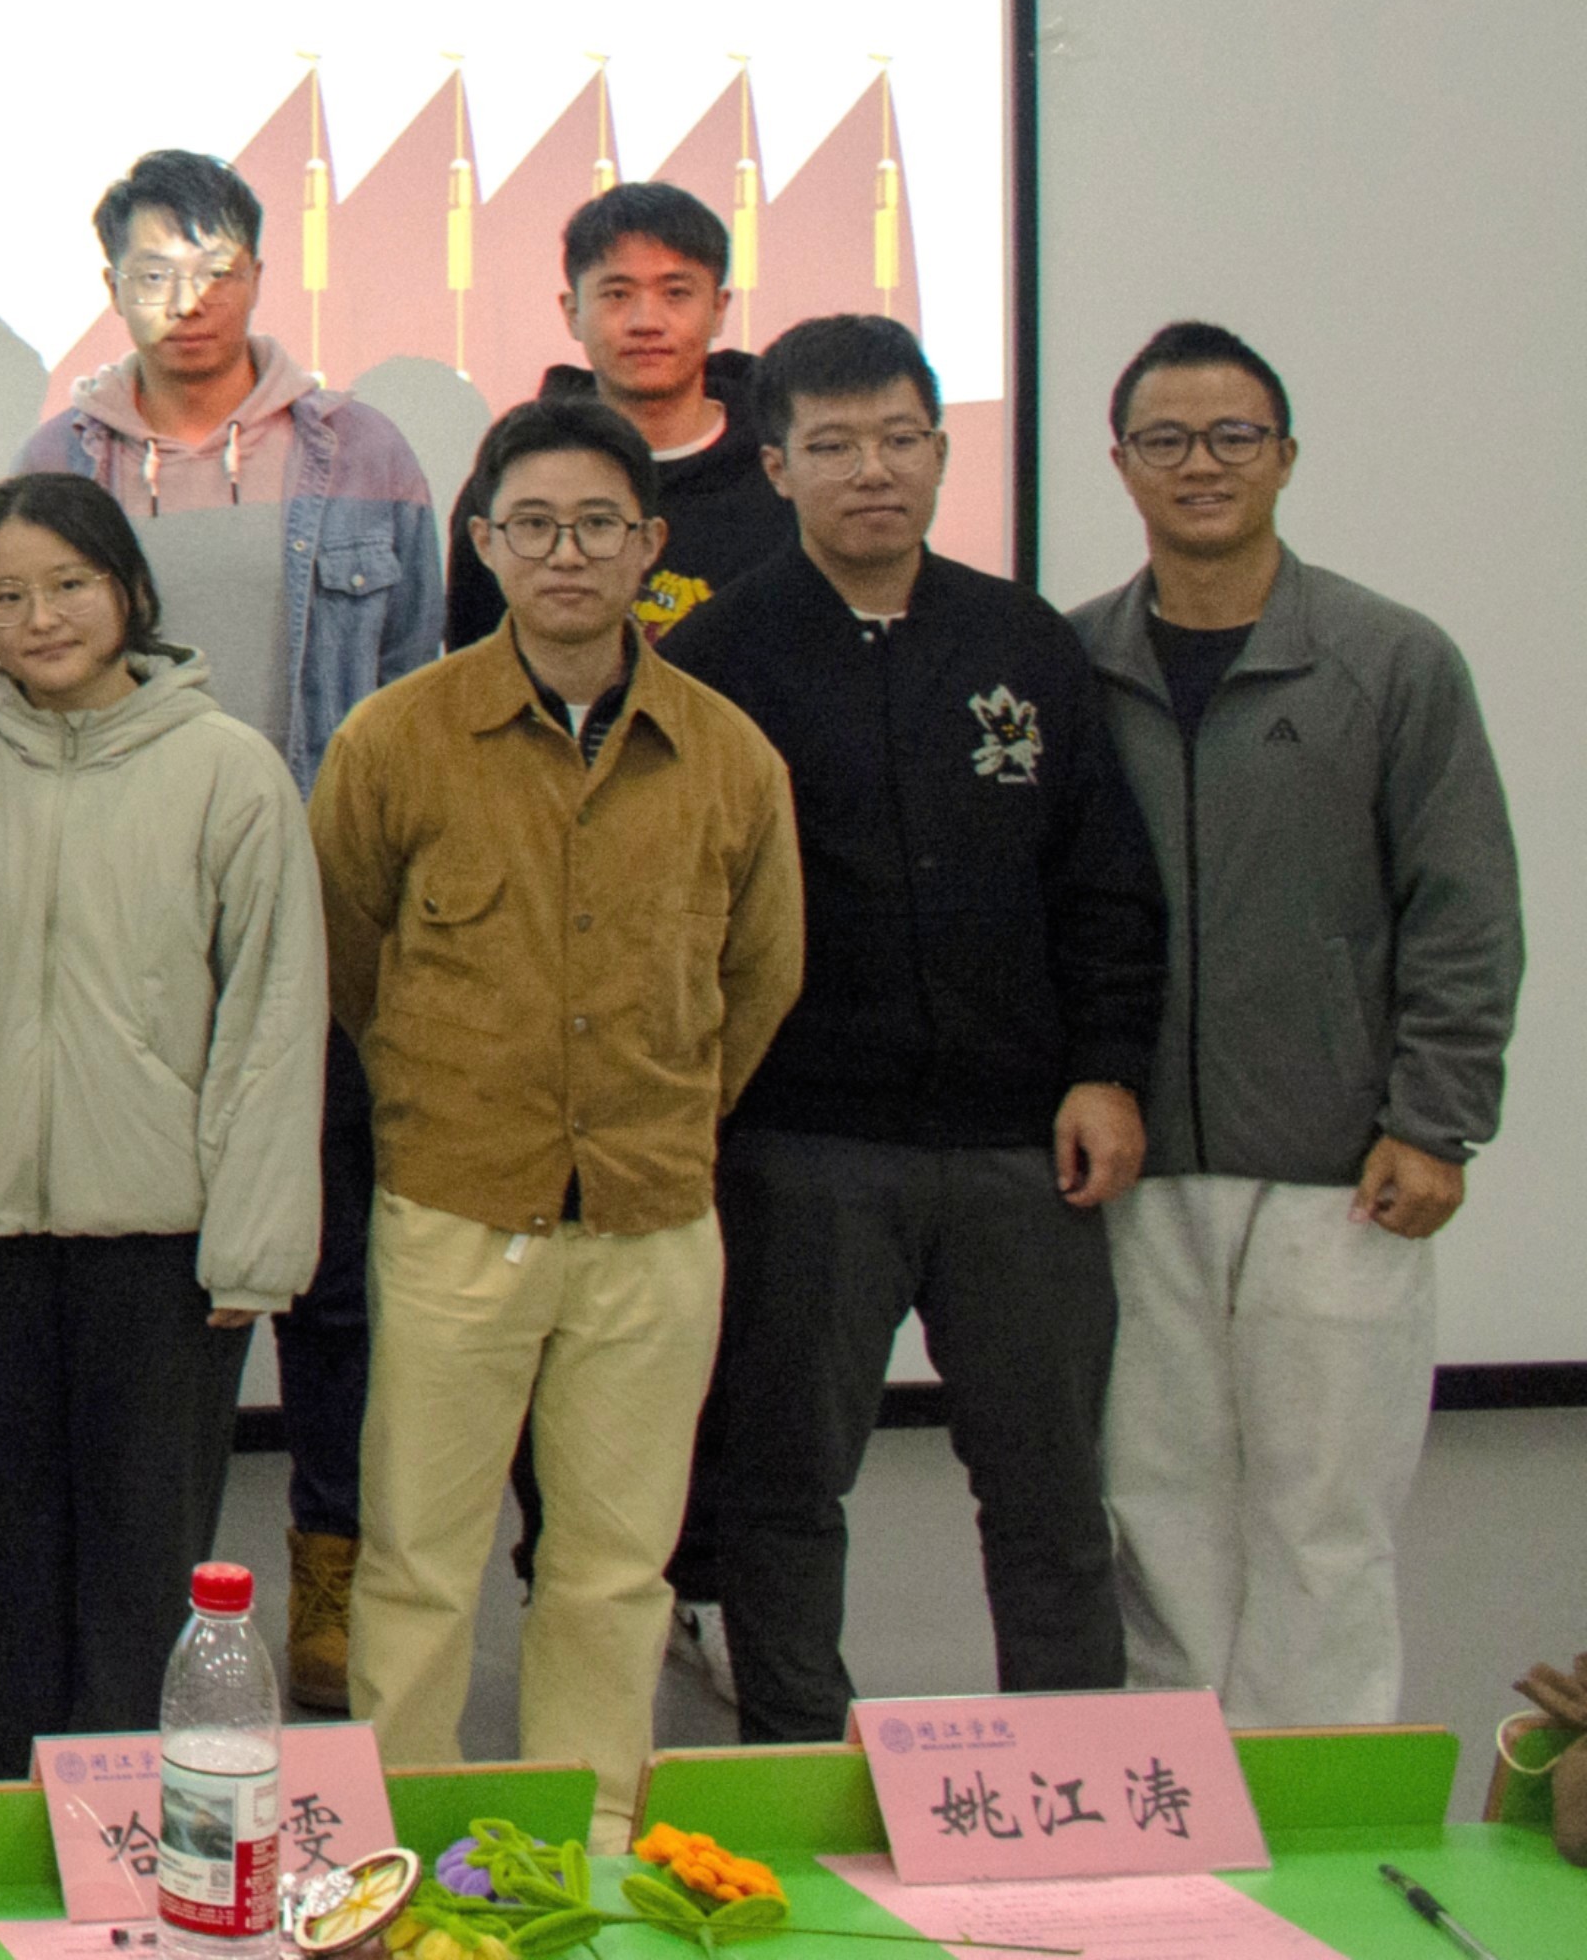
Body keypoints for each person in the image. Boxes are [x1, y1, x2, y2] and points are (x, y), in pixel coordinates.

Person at [671, 312, 1164, 1740]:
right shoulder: (720, 657)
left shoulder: (1024, 641)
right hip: (803, 1145)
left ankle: (1077, 1758)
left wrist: (1107, 1073)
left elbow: (1103, 883)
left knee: (1049, 1483)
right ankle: (794, 1753)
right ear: (777, 467)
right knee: (784, 1478)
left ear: (944, 452)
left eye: (899, 439)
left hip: (1020, 1145)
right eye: (834, 446)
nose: (872, 471)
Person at [312, 394, 803, 1811]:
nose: (567, 554)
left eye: (598, 525)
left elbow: (760, 977)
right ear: (484, 543)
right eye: (534, 526)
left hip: (652, 1216)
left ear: (650, 543)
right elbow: (348, 958)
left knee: (614, 1564)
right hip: (457, 1206)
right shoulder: (397, 741)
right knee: (419, 1558)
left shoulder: (728, 755)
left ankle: (592, 1833)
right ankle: (401, 1834)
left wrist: (661, 1111)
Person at [16, 149, 445, 1707]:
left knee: (332, 1287)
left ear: (261, 274)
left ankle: (331, 1577)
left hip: (317, 923)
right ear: (110, 285)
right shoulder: (61, 455)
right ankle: (136, 1590)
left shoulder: (362, 450)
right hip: (125, 936)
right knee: (147, 1297)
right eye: (152, 272)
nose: (186, 302)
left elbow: (414, 696)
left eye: (216, 269)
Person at [1074, 321, 1527, 1728]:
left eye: (1233, 437)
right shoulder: (1073, 665)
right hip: (1138, 1171)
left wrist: (1435, 1120)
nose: (1200, 465)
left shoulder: (1389, 660)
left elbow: (1463, 905)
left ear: (1285, 458)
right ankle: (1187, 1792)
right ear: (1121, 464)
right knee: (1156, 1501)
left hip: (1343, 1167)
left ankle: (1320, 1803)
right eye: (1167, 439)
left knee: (1324, 1513)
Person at [0, 471, 325, 1778]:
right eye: (5, 595)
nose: (40, 618)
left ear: (129, 588)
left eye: (69, 584)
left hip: (159, 1250)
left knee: (141, 1566)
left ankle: (126, 1830)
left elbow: (274, 1022)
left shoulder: (229, 771)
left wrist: (252, 1248)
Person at [437, 184, 789, 650]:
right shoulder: (518, 475)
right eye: (617, 294)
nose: (647, 322)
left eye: (676, 293)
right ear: (572, 312)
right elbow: (476, 661)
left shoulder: (783, 474)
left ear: (719, 309)